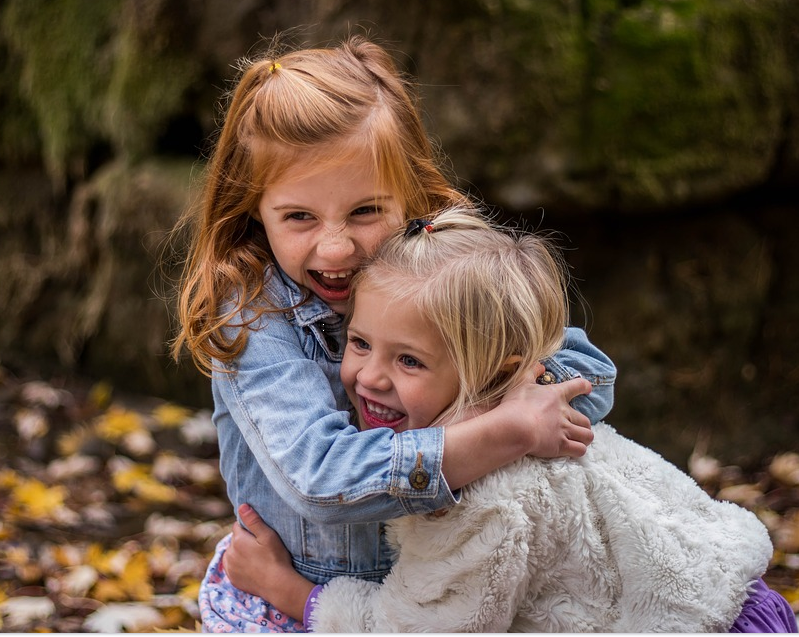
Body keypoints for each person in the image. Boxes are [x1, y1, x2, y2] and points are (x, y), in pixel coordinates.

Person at [171, 35, 616, 632]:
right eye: (299, 217)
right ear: (253, 207)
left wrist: (505, 400)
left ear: (410, 193)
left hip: (434, 595)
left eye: (365, 212)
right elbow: (321, 477)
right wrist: (498, 432)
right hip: (291, 601)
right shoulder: (253, 315)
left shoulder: (439, 274)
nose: (336, 247)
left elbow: (589, 376)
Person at [225, 205, 798, 633]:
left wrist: (292, 592)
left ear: (497, 371)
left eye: (409, 360)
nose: (370, 377)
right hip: (728, 592)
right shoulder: (533, 409)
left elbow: (420, 631)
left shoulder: (480, 496)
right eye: (358, 342)